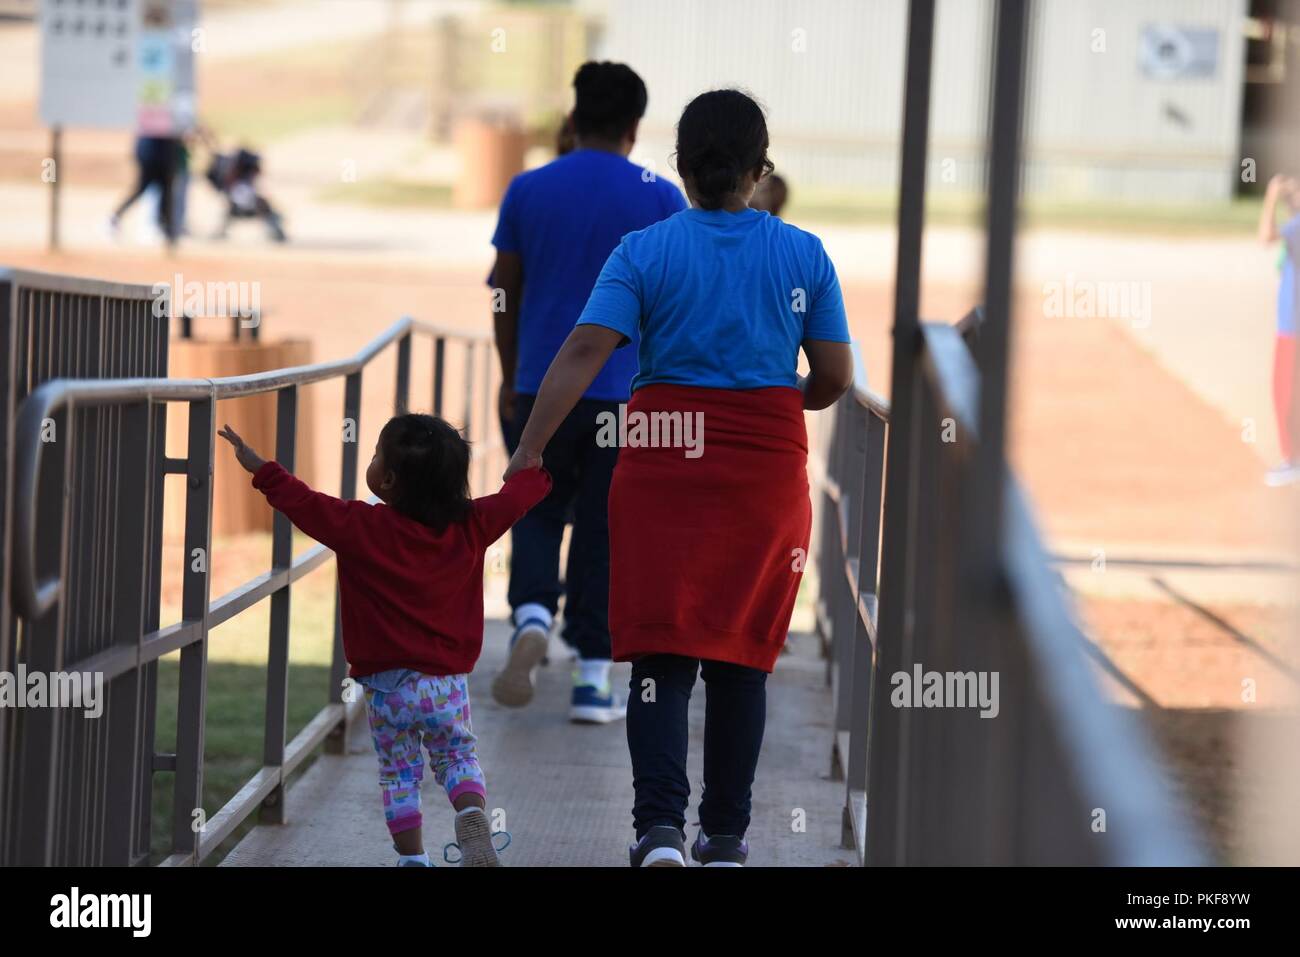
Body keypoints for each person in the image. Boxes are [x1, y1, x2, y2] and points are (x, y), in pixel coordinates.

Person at [503, 89, 854, 866]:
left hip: (663, 462)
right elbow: (832, 374)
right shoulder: (804, 254)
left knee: (662, 656)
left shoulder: (644, 250)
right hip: (764, 468)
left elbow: (586, 351)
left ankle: (657, 829)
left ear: (680, 167)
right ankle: (724, 837)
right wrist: (776, 397)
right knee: (740, 659)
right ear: (761, 170)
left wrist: (530, 448)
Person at [219, 414, 550, 866]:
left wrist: (261, 468)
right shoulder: (472, 524)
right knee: (456, 757)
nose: (372, 461)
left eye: (376, 455)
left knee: (399, 776)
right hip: (445, 685)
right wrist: (533, 470)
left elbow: (304, 503)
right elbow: (515, 500)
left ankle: (413, 859)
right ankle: (471, 813)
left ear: (388, 480)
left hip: (387, 688)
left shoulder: (357, 525)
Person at [488, 61, 687, 723]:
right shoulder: (661, 197)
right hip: (626, 399)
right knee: (607, 526)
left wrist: (510, 371)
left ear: (572, 119)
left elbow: (502, 290)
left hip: (541, 386)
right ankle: (595, 677)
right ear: (635, 126)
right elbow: (674, 304)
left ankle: (533, 616)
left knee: (537, 509)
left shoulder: (527, 188)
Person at [1259, 173, 1300, 486]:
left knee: (1283, 393)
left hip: (1293, 328)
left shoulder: (1296, 227)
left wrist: (1271, 197)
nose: (1290, 196)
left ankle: (1292, 461)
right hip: (1289, 325)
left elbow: (1265, 237)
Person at [108, 135, 181, 243]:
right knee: (145, 190)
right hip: (154, 157)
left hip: (163, 156)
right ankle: (115, 218)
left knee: (166, 194)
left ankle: (167, 231)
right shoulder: (154, 126)